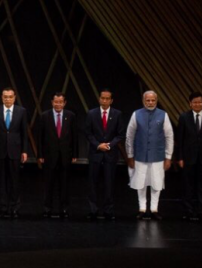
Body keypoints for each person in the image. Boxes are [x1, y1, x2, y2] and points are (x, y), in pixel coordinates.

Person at [125, 90, 174, 220]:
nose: (150, 102)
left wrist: (168, 157)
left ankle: (154, 209)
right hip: (139, 155)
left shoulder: (164, 115)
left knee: (156, 183)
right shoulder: (136, 114)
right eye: (148, 100)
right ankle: (141, 208)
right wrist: (130, 155)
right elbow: (129, 136)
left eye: (153, 100)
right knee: (140, 183)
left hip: (158, 156)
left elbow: (169, 137)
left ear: (156, 101)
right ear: (143, 101)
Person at [83, 89, 125, 220]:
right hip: (95, 153)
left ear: (111, 100)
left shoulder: (117, 114)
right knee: (93, 183)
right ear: (99, 99)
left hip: (110, 154)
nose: (105, 100)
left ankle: (108, 210)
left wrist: (109, 145)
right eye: (103, 98)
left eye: (107, 98)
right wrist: (98, 145)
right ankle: (93, 210)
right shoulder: (91, 113)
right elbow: (88, 133)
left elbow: (120, 134)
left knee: (109, 183)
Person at [173, 92, 202, 221]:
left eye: (200, 102)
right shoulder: (184, 117)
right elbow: (179, 139)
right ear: (190, 103)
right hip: (188, 157)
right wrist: (180, 157)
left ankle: (201, 211)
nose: (197, 104)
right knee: (188, 185)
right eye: (195, 102)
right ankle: (188, 211)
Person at [0, 87, 29, 218]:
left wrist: (24, 150)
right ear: (2, 97)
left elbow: (24, 133)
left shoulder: (21, 111)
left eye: (10, 97)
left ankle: (14, 208)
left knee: (14, 181)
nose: (8, 99)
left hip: (15, 151)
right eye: (5, 96)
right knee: (1, 181)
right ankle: (3, 207)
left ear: (14, 98)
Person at [36, 92, 77, 219]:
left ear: (64, 103)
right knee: (48, 184)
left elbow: (75, 136)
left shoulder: (71, 116)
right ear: (52, 102)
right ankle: (47, 209)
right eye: (56, 102)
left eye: (60, 102)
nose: (58, 104)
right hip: (49, 156)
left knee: (64, 184)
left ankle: (64, 209)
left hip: (65, 156)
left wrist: (75, 154)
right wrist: (40, 155)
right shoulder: (44, 116)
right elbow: (40, 137)